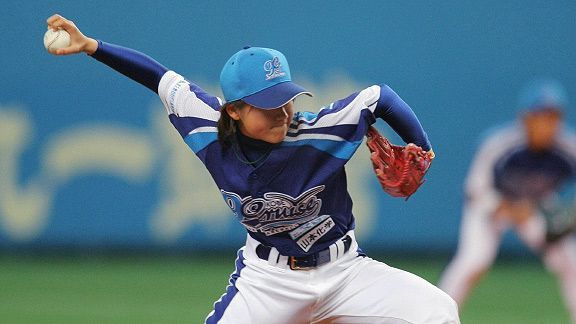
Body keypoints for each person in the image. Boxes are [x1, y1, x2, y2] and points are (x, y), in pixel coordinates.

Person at [46, 14, 459, 324]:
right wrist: (92, 46)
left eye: (287, 98)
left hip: (346, 271)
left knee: (438, 312)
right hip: (268, 280)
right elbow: (158, 77)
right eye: (268, 105)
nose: (283, 112)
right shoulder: (205, 125)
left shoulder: (321, 131)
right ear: (235, 111)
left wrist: (420, 145)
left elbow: (379, 97)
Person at [438, 79, 576, 322]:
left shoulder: (567, 147)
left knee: (569, 260)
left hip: (535, 207)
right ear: (526, 119)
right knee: (474, 261)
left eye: (553, 117)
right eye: (541, 116)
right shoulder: (500, 145)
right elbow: (474, 189)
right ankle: (435, 317)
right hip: (490, 207)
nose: (548, 124)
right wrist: (509, 208)